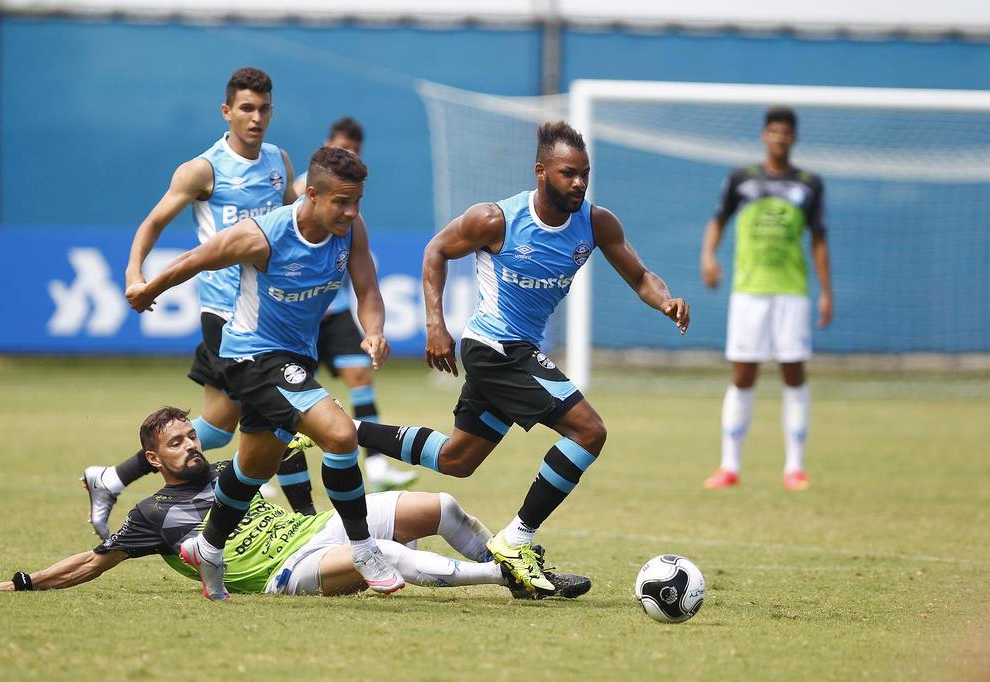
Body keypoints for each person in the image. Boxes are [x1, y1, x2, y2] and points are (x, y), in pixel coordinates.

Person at [352, 121, 690, 595]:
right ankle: (516, 540)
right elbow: (436, 251)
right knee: (589, 431)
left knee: (458, 458)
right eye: (568, 173)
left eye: (584, 175)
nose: (578, 183)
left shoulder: (596, 223)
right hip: (496, 348)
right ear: (541, 172)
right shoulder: (496, 220)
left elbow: (639, 275)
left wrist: (666, 300)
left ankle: (346, 433)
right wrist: (434, 324)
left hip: (515, 352)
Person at [126, 146, 402, 600]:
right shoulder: (263, 236)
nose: (351, 211)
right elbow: (195, 259)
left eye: (356, 202)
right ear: (311, 194)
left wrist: (373, 331)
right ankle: (363, 547)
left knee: (254, 466)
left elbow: (368, 287)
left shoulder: (351, 230)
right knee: (339, 435)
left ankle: (209, 547)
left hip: (297, 357)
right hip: (250, 356)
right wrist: (148, 286)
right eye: (341, 202)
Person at [0, 407, 590, 600]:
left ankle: (509, 572)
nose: (191, 445)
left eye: (192, 435)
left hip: (316, 527)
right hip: (286, 574)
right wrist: (21, 584)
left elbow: (287, 450)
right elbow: (91, 562)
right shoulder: (152, 516)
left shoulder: (229, 470)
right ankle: (507, 572)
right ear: (153, 462)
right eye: (176, 443)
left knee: (445, 507)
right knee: (391, 555)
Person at [80, 67, 309, 541]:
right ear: (227, 112)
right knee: (282, 407)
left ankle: (112, 477)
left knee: (221, 427)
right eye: (246, 108)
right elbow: (153, 222)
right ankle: (307, 518)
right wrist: (134, 273)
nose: (256, 117)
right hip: (226, 314)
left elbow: (290, 224)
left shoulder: (279, 161)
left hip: (268, 314)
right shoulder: (203, 169)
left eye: (264, 109)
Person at [700, 106, 833, 492]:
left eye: (785, 132)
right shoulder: (742, 179)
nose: (779, 137)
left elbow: (820, 240)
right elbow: (718, 220)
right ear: (765, 135)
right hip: (749, 292)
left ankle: (795, 466)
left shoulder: (809, 184)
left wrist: (826, 291)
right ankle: (729, 466)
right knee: (743, 374)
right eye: (773, 130)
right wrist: (708, 256)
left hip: (792, 292)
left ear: (793, 137)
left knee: (793, 372)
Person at [283, 117, 418, 494]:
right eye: (343, 149)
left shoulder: (349, 213)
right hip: (291, 319)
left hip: (335, 309)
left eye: (355, 152)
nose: (349, 156)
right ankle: (260, 476)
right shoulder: (296, 200)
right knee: (273, 409)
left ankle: (375, 464)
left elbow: (364, 280)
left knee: (360, 374)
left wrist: (374, 330)